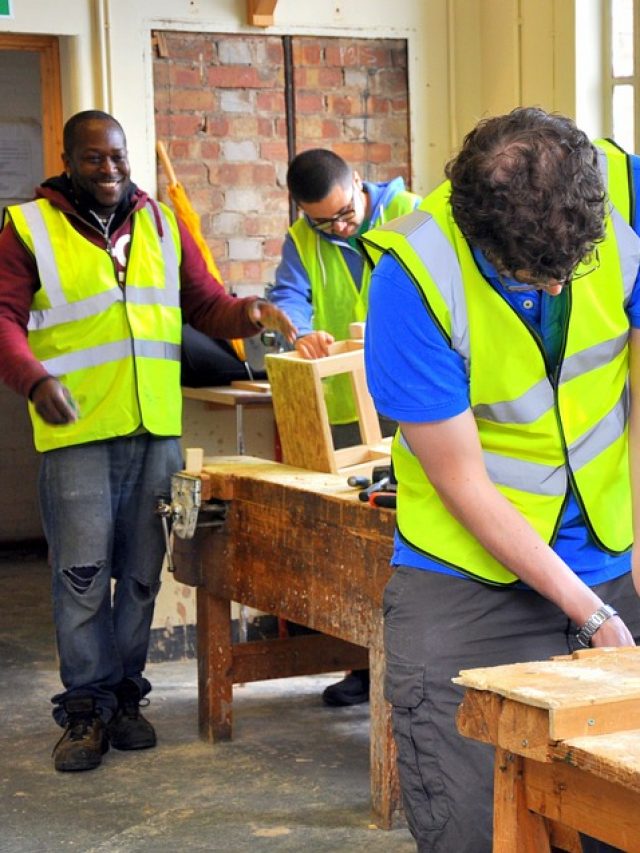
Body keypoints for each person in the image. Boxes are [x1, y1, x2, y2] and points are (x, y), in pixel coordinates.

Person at [362, 106, 640, 853]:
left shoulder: (626, 195)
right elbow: (465, 483)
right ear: (478, 233)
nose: (555, 290)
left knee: (626, 810)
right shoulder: (411, 278)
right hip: (465, 572)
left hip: (611, 551)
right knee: (472, 825)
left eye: (570, 268)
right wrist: (587, 612)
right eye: (531, 274)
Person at [0, 110, 296, 773]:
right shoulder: (29, 229)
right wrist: (34, 379)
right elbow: (3, 318)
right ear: (69, 159)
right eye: (94, 158)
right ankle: (84, 710)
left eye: (118, 157)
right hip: (75, 434)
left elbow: (207, 304)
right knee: (80, 578)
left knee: (138, 577)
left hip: (154, 432)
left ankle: (127, 698)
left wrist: (251, 311)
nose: (110, 169)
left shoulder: (162, 223)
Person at [269, 148, 421, 707]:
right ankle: (361, 664)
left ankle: (406, 669)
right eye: (323, 220)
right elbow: (286, 295)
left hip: (407, 399)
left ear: (359, 182)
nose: (338, 226)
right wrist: (300, 330)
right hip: (342, 402)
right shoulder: (304, 239)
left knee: (400, 539)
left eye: (344, 214)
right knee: (350, 540)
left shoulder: (410, 210)